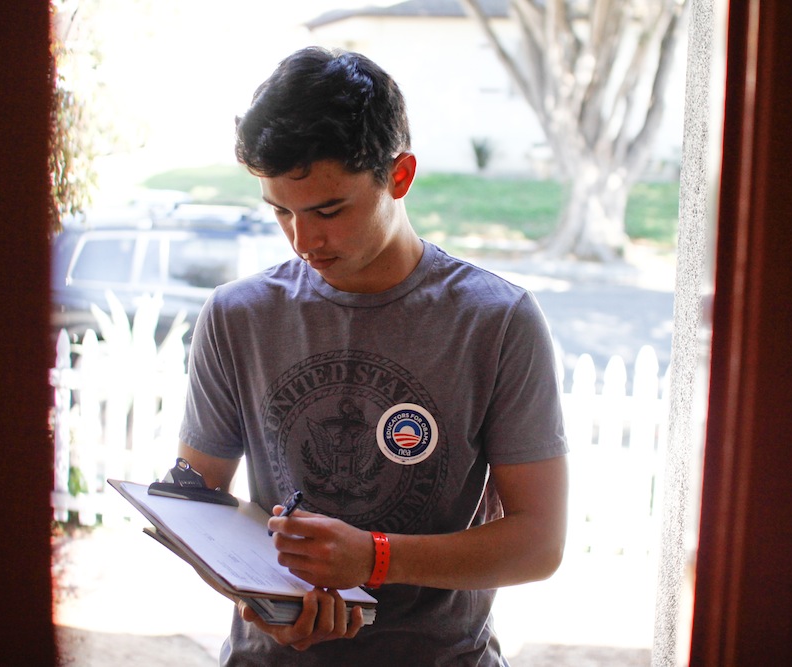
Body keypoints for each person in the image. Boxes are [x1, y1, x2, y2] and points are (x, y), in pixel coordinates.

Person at [176, 46, 568, 666]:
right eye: (281, 211)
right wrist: (259, 601)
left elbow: (539, 543)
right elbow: (198, 508)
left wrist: (375, 557)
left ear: (401, 176)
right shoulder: (237, 315)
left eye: (329, 210)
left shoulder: (497, 321)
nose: (305, 241)